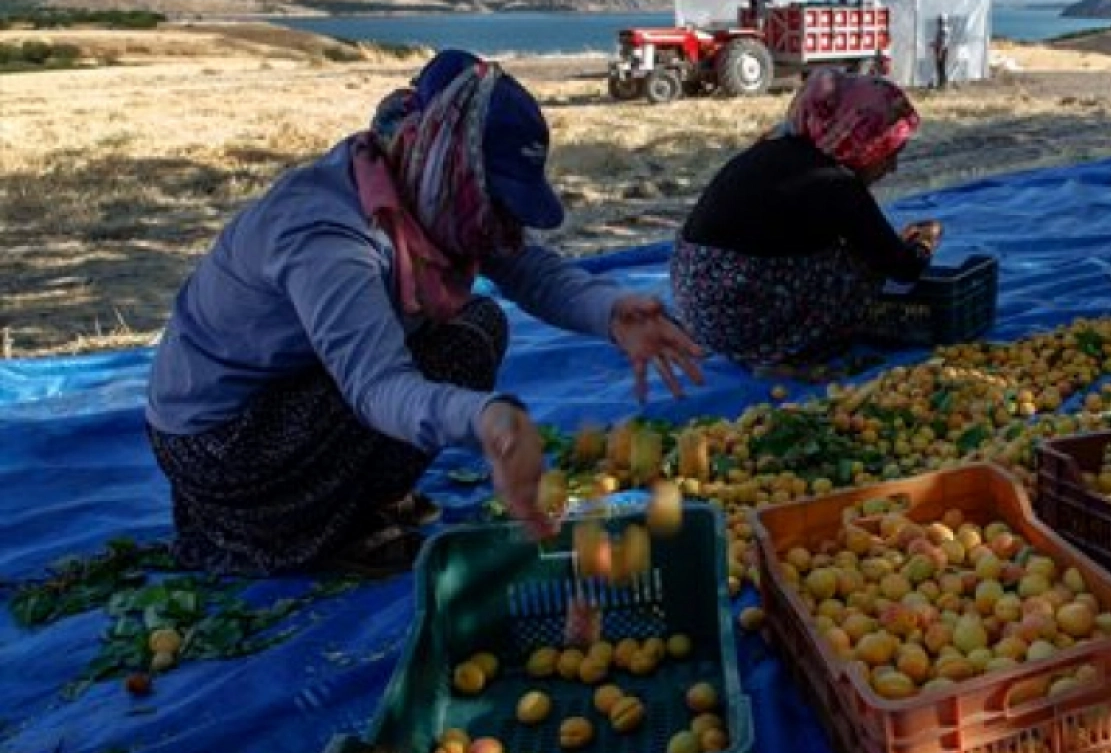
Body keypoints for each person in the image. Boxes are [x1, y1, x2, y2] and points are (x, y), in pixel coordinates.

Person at [145, 50, 704, 577]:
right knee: (450, 360)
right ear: (447, 163)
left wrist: (612, 313)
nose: (498, 223)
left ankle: (356, 499)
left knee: (476, 326)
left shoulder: (421, 185)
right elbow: (377, 386)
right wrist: (487, 420)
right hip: (224, 442)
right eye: (495, 203)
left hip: (295, 389)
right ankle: (295, 530)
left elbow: (527, 266)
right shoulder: (331, 239)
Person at [669, 68, 941, 368]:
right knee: (861, 269)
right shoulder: (834, 183)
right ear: (864, 140)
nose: (893, 168)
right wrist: (925, 242)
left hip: (694, 298)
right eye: (888, 153)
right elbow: (903, 268)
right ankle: (791, 348)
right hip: (732, 318)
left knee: (851, 252)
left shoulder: (777, 147)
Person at [933, 14, 952, 89]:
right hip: (942, 49)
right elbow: (940, 41)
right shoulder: (944, 29)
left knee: (941, 67)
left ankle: (942, 84)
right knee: (941, 67)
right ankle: (942, 83)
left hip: (942, 50)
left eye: (939, 20)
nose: (938, 22)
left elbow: (942, 42)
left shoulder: (943, 30)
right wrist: (934, 44)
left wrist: (940, 52)